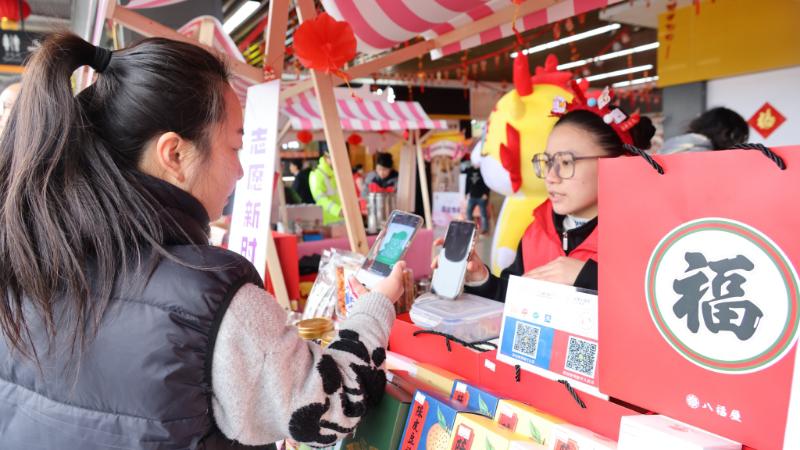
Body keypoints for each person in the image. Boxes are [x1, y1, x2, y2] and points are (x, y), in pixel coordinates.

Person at [0, 32, 406, 449]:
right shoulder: (209, 297)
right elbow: (331, 405)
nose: (240, 171)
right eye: (234, 146)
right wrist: (377, 304)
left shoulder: (23, 258)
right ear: (174, 155)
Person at [435, 93, 655, 302]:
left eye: (566, 162)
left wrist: (589, 277)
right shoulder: (537, 231)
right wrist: (481, 279)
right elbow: (516, 299)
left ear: (616, 164)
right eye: (548, 162)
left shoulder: (645, 238)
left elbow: (653, 309)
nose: (550, 176)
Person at [659, 107, 749, 155]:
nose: (737, 148)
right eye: (738, 140)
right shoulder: (703, 155)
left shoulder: (670, 144)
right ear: (726, 134)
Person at [309, 146, 345, 224]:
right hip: (328, 221)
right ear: (326, 157)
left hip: (343, 219)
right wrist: (337, 210)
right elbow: (320, 199)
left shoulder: (336, 172)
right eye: (334, 157)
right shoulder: (316, 174)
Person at [464, 158, 491, 234]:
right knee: (468, 212)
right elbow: (467, 183)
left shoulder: (483, 171)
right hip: (472, 196)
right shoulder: (469, 170)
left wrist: (486, 194)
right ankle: (470, 229)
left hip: (481, 197)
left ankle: (485, 229)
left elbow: (487, 183)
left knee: (483, 213)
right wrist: (466, 193)